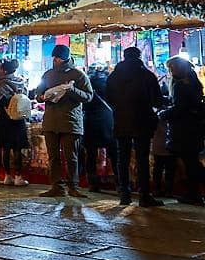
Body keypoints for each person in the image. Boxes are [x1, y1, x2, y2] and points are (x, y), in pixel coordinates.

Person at [32, 44, 91, 198]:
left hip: (70, 122)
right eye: (54, 57)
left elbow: (88, 96)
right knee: (53, 157)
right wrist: (41, 97)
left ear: (64, 58)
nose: (55, 60)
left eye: (57, 57)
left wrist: (72, 90)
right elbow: (38, 92)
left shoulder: (78, 75)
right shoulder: (47, 75)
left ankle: (73, 186)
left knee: (71, 157)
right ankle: (56, 186)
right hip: (51, 121)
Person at [106, 46, 163, 206]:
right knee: (142, 158)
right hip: (142, 121)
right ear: (139, 57)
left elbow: (108, 98)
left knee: (122, 158)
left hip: (121, 121)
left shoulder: (114, 76)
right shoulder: (147, 75)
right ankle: (144, 195)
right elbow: (157, 101)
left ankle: (125, 194)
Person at [160, 56, 205, 205]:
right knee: (191, 161)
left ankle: (193, 194)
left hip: (183, 130)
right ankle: (193, 192)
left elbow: (180, 108)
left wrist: (163, 113)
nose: (170, 71)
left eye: (172, 68)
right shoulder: (193, 82)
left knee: (189, 162)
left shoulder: (180, 85)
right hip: (194, 128)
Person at [0, 58, 31, 188]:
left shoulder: (0, 84)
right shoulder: (20, 81)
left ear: (4, 70)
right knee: (17, 148)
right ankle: (19, 176)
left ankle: (7, 176)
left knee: (5, 148)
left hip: (4, 119)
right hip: (18, 118)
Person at [83, 65, 119, 193]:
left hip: (90, 122)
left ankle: (93, 184)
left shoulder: (86, 83)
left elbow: (83, 103)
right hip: (109, 121)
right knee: (114, 153)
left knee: (91, 155)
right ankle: (119, 184)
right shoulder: (112, 83)